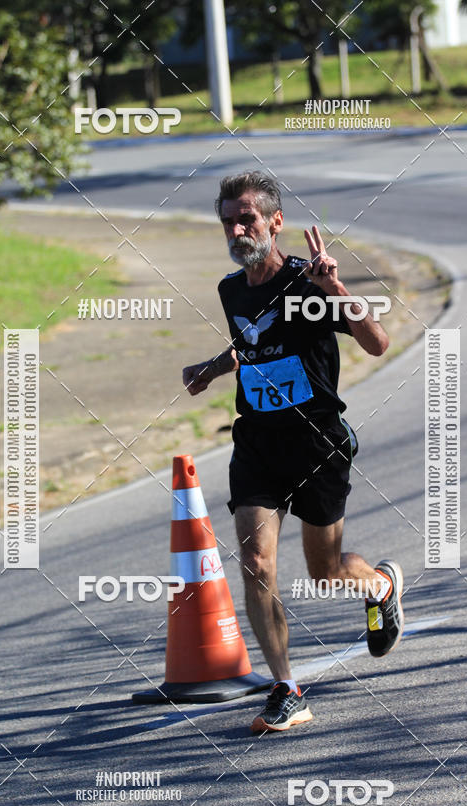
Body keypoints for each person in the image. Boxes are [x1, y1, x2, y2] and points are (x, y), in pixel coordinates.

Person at [182, 171, 404, 733]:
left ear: (275, 222)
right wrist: (211, 370)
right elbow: (251, 344)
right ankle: (286, 688)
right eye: (228, 220)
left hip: (318, 442)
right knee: (257, 565)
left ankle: (379, 585)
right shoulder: (231, 290)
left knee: (326, 572)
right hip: (257, 443)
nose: (236, 229)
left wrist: (338, 291)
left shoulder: (309, 285)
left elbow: (378, 344)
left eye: (247, 219)